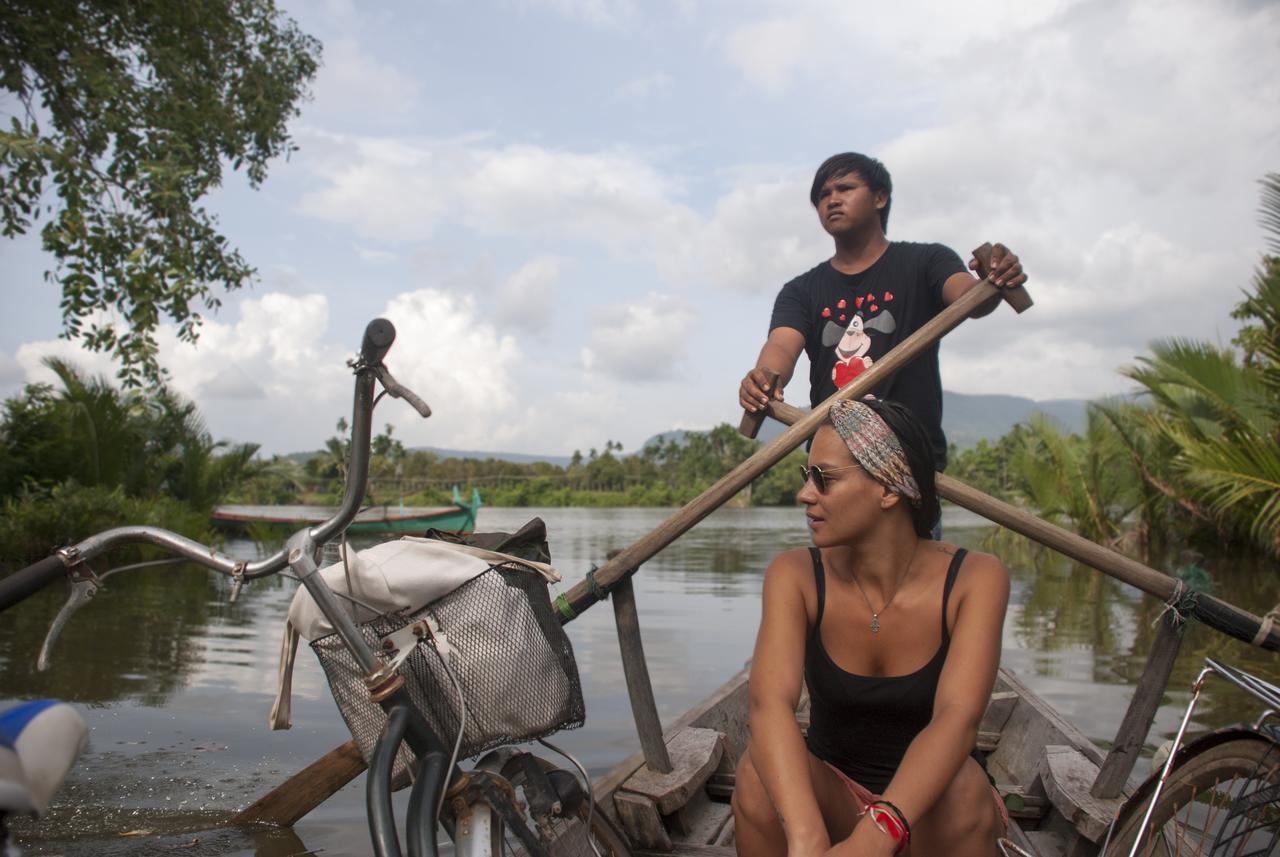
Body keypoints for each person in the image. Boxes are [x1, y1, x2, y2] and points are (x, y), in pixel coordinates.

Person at [730, 397, 1010, 857]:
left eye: (825, 479)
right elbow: (768, 708)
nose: (805, 494)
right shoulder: (796, 575)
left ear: (888, 490)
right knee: (757, 778)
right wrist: (806, 836)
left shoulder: (975, 579)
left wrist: (877, 834)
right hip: (834, 800)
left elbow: (956, 720)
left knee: (963, 791)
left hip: (931, 814)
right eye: (807, 477)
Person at [738, 152, 1029, 474]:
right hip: (833, 464)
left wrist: (994, 281)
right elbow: (781, 346)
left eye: (845, 188)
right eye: (823, 195)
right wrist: (762, 378)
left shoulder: (926, 262)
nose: (832, 200)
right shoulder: (801, 290)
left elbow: (970, 299)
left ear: (879, 197)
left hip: (907, 463)